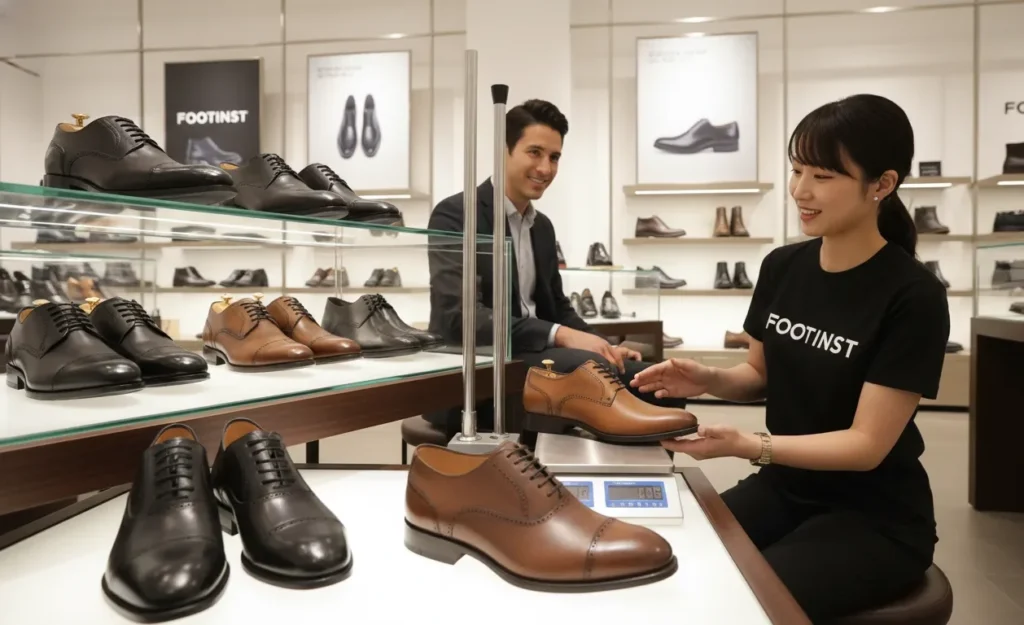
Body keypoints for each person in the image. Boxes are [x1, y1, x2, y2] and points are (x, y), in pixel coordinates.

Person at [631, 94, 948, 622]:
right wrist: (705, 378)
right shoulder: (782, 266)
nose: (800, 190)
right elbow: (759, 376)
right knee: (673, 567)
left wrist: (747, 445)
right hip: (785, 488)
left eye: (823, 176)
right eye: (797, 170)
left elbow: (867, 445)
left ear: (882, 185)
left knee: (739, 605)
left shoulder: (913, 296)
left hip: (873, 515)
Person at [426, 99, 685, 435]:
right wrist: (563, 336)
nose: (545, 168)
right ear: (502, 151)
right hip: (476, 370)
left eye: (554, 157)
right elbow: (459, 320)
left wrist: (601, 343)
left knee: (657, 382)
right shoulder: (457, 215)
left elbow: (558, 308)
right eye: (534, 152)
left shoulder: (541, 227)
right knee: (585, 368)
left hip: (533, 359)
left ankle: (634, 480)